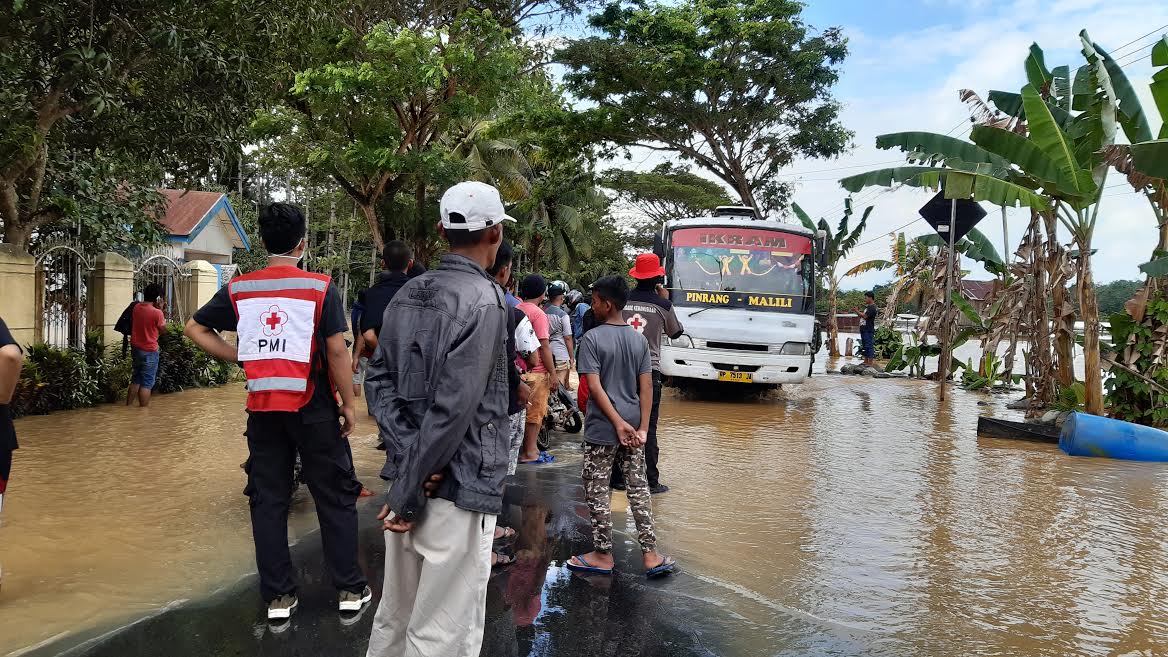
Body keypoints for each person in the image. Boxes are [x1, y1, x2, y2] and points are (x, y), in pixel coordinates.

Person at [184, 202, 370, 622]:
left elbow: (193, 328)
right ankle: (348, 589)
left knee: (268, 500)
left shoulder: (241, 289)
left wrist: (238, 358)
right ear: (302, 243)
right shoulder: (321, 288)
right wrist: (350, 406)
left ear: (264, 241)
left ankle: (278, 599)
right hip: (315, 406)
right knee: (335, 495)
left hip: (262, 406)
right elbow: (336, 350)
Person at [364, 180, 513, 657]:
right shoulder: (487, 301)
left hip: (413, 482)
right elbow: (455, 409)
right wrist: (411, 488)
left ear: (441, 230)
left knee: (397, 616)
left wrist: (409, 466)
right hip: (456, 486)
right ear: (494, 232)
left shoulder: (407, 293)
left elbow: (378, 381)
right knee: (443, 632)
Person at [566, 275, 675, 578]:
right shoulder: (638, 339)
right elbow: (647, 389)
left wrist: (617, 423)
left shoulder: (592, 339)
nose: (593, 304)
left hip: (604, 427)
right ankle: (651, 555)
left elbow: (595, 388)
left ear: (607, 303)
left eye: (595, 299)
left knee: (597, 489)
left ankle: (603, 554)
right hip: (633, 430)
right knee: (638, 489)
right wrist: (640, 429)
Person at [613, 253, 683, 495]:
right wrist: (666, 300)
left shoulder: (622, 301)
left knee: (619, 421)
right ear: (656, 278)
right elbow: (676, 333)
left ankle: (617, 479)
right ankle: (651, 481)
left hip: (619, 370)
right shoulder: (663, 305)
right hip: (648, 372)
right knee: (648, 426)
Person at [353, 241, 415, 420]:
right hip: (413, 367)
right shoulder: (420, 290)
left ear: (382, 264)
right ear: (410, 264)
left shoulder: (371, 294)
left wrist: (387, 355)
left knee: (381, 417)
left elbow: (368, 334)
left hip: (381, 367)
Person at [516, 274, 558, 464]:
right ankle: (530, 451)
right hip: (537, 371)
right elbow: (544, 347)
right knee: (535, 414)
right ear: (543, 293)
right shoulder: (538, 314)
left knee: (520, 412)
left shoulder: (515, 308)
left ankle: (521, 450)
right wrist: (553, 374)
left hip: (518, 371)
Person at [127, 283, 167, 407]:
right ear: (158, 298)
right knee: (147, 383)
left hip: (136, 349)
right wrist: (160, 309)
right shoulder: (157, 313)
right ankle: (143, 413)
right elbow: (163, 330)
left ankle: (128, 407)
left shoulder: (136, 307)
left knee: (136, 378)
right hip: (150, 351)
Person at [543, 280, 575, 390]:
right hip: (560, 354)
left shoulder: (542, 312)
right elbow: (568, 337)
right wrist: (571, 356)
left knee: (546, 386)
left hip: (545, 354)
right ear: (561, 297)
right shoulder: (563, 315)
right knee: (558, 387)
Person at [854, 291, 878, 367]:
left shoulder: (872, 307)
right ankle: (866, 360)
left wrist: (856, 311)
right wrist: (857, 312)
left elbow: (865, 316)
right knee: (865, 345)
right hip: (864, 329)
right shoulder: (868, 307)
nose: (865, 299)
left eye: (866, 298)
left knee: (869, 345)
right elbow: (863, 316)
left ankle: (870, 362)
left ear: (870, 298)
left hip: (868, 329)